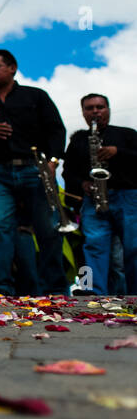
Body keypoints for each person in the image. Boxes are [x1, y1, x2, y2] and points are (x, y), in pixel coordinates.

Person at [0, 49, 67, 295]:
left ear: (12, 68)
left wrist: (53, 162)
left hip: (35, 169)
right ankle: (3, 288)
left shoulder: (35, 96)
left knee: (47, 229)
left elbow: (56, 130)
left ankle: (55, 289)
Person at [64, 94, 137, 296]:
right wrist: (82, 183)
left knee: (134, 247)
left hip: (128, 196)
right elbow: (68, 172)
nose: (95, 111)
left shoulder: (128, 134)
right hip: (94, 199)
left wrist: (118, 152)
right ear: (83, 113)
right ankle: (94, 293)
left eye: (100, 107)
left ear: (108, 109)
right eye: (89, 108)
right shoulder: (78, 140)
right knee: (94, 246)